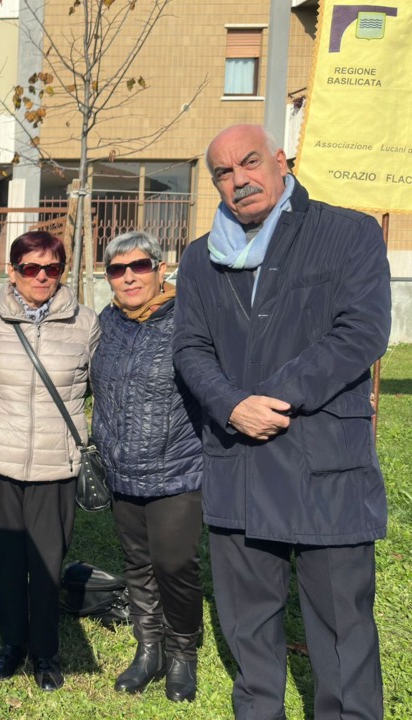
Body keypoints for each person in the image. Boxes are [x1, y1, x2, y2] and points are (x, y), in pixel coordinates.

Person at [173, 124, 389, 720]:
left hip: (325, 467)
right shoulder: (199, 259)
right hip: (237, 462)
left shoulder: (347, 233)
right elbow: (189, 347)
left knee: (344, 635)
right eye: (223, 172)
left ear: (280, 160)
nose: (238, 180)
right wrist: (231, 405)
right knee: (250, 636)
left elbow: (362, 332)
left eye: (248, 163)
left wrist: (273, 398)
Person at [0, 230, 100, 692]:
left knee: (48, 562)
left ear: (62, 271)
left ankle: (46, 652)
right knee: (6, 560)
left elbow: (102, 389)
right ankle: (13, 644)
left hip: (56, 465)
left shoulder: (85, 323)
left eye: (51, 268)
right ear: (12, 272)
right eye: (30, 268)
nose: (42, 277)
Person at [90, 231, 203, 702]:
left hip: (175, 465)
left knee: (174, 563)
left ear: (160, 268)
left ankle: (182, 654)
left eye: (139, 266)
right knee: (138, 563)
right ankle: (148, 647)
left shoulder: (189, 319)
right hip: (121, 468)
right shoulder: (107, 322)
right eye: (117, 270)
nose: (129, 276)